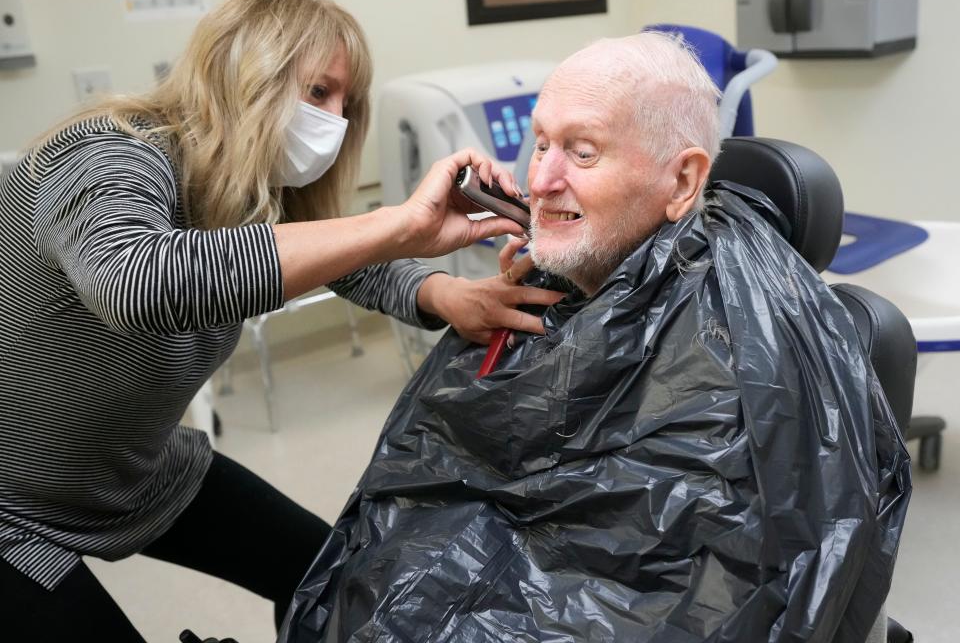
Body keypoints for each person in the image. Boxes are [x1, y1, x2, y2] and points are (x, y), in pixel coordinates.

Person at [280, 32, 910, 643]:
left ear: (684, 182)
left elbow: (710, 594)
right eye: (540, 144)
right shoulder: (536, 295)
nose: (543, 181)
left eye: (583, 152)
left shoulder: (740, 350)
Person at [0, 0, 564, 642]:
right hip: (12, 504)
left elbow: (334, 252)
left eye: (345, 103)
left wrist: (440, 292)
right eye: (317, 92)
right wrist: (398, 222)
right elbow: (140, 282)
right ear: (244, 74)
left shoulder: (243, 184)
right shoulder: (105, 155)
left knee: (327, 577)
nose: (334, 119)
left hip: (133, 473)